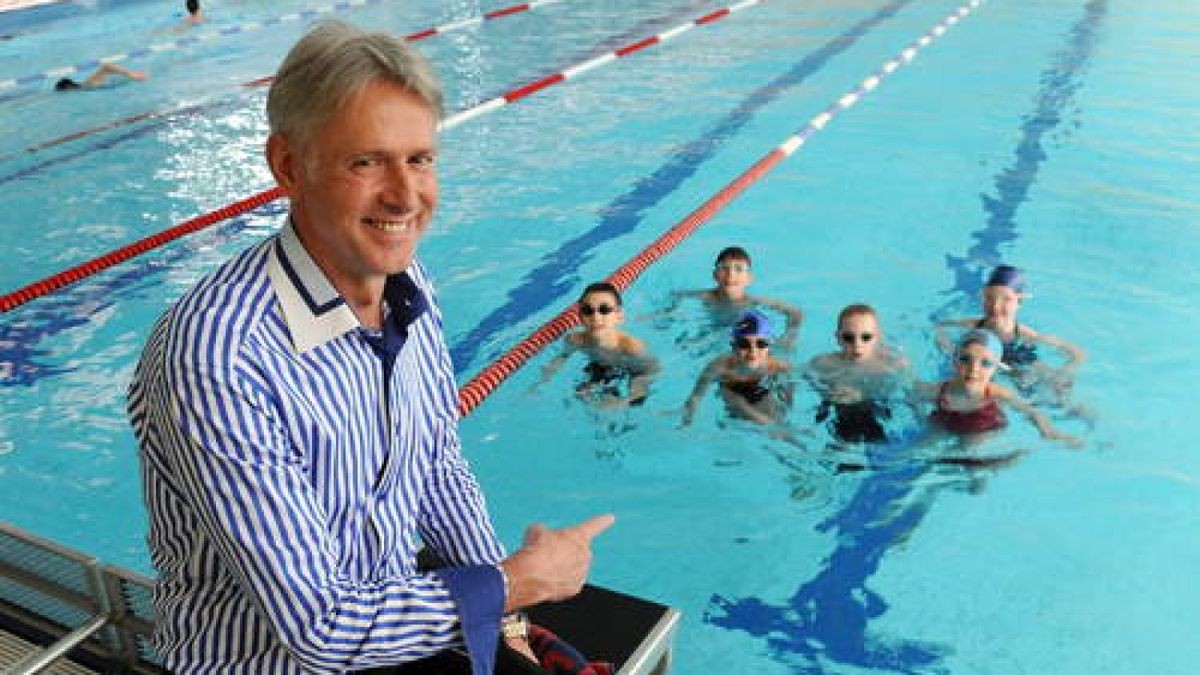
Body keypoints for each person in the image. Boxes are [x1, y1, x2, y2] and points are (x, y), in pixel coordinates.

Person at [127, 20, 613, 675]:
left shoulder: (409, 284)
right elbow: (319, 627)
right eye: (367, 161)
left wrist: (508, 619)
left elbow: (435, 462)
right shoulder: (217, 355)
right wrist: (511, 583)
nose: (405, 196)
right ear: (288, 166)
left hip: (393, 631)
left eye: (419, 159)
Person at [936, 265, 1084, 398]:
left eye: (1006, 299)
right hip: (985, 365)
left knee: (1057, 391)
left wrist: (1063, 373)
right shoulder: (972, 326)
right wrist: (949, 351)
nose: (995, 306)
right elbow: (939, 328)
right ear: (983, 297)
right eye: (989, 298)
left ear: (1019, 301)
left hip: (1019, 360)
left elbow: (1077, 354)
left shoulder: (1029, 336)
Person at [917, 329, 1081, 448]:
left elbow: (1031, 411)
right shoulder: (938, 391)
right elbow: (910, 395)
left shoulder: (998, 393)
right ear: (954, 362)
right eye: (966, 359)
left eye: (985, 363)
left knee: (972, 450)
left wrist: (1049, 431)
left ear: (995, 369)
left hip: (981, 427)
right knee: (921, 447)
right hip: (944, 423)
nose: (974, 369)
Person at [538, 282, 659, 409]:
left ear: (619, 316)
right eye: (587, 310)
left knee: (633, 402)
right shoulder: (575, 340)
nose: (595, 317)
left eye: (604, 309)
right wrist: (542, 381)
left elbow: (650, 371)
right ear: (580, 317)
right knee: (580, 394)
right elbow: (562, 357)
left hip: (631, 369)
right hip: (599, 365)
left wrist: (626, 401)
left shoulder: (631, 347)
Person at [807, 304, 911, 445]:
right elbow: (808, 380)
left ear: (878, 338)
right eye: (848, 337)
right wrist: (828, 393)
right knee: (843, 441)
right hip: (841, 407)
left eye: (866, 337)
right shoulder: (823, 363)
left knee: (881, 439)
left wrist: (863, 395)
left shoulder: (891, 364)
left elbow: (903, 391)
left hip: (875, 405)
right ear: (837, 338)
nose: (857, 345)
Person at [667, 246, 804, 349]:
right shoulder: (706, 296)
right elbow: (675, 295)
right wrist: (671, 313)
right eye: (724, 268)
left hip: (746, 337)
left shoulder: (753, 301)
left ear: (749, 279)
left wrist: (789, 336)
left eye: (738, 269)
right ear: (715, 275)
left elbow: (795, 312)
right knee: (685, 346)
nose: (731, 274)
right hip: (713, 331)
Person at [682, 310, 794, 429]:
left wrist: (787, 403)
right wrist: (688, 417)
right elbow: (696, 395)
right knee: (737, 403)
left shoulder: (778, 367)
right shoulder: (720, 366)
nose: (753, 351)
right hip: (732, 388)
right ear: (733, 346)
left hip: (760, 388)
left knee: (773, 411)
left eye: (761, 343)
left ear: (769, 346)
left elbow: (788, 396)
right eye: (744, 344)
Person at [54, 62, 146, 91]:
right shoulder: (85, 87)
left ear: (68, 87)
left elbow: (107, 66)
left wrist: (131, 75)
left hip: (130, 79)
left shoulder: (88, 84)